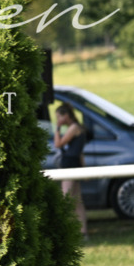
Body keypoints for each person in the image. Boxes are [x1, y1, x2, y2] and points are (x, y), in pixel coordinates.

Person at [54, 102, 88, 238]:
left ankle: (64, 232)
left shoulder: (73, 128)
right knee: (77, 200)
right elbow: (80, 153)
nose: (58, 121)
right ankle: (82, 232)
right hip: (75, 164)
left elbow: (58, 143)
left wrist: (57, 128)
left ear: (66, 116)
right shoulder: (77, 128)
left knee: (66, 199)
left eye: (58, 117)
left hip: (69, 166)